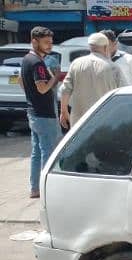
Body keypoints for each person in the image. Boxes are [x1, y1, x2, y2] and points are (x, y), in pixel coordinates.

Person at [21, 26, 62, 199]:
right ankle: (46, 189)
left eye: (50, 42)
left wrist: (31, 97)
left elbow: (21, 83)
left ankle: (35, 188)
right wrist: (55, 77)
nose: (49, 45)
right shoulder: (37, 63)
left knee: (37, 153)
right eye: (45, 42)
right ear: (34, 41)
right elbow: (43, 88)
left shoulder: (26, 59)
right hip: (44, 115)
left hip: (33, 112)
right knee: (48, 152)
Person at [60, 32, 122, 130]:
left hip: (79, 119)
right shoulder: (113, 67)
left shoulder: (76, 64)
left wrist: (63, 111)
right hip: (105, 118)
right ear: (106, 48)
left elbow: (65, 89)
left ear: (90, 47)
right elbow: (121, 93)